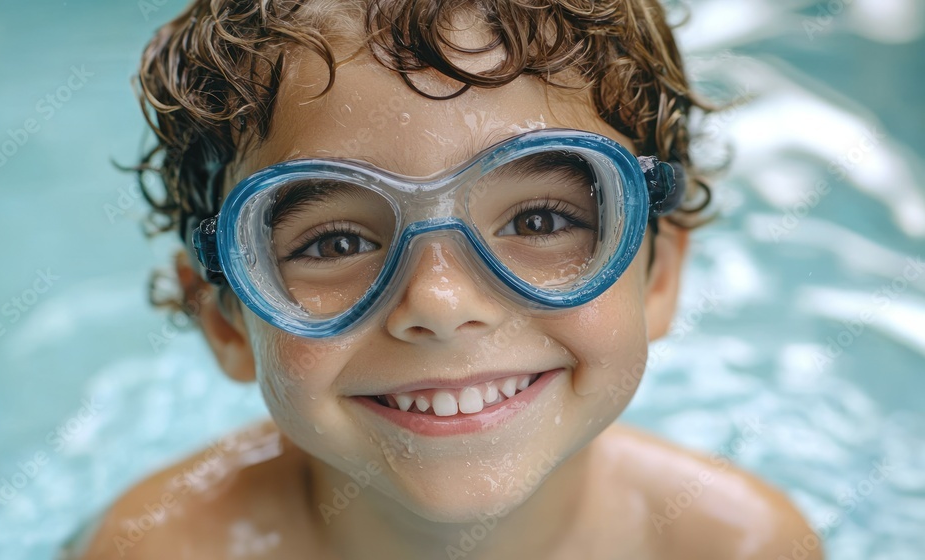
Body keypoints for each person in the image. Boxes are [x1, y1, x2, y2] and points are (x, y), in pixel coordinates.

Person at [67, 0, 823, 558]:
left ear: (659, 276)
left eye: (539, 222)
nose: (438, 300)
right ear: (226, 319)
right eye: (334, 241)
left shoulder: (736, 545)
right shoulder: (159, 547)